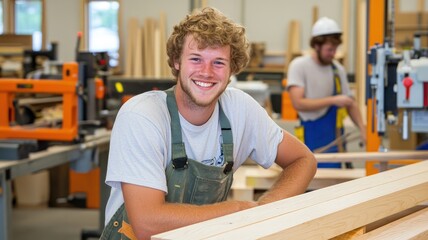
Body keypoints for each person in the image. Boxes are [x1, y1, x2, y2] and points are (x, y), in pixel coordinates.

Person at [101, 7, 316, 240]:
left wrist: (267, 209)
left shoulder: (240, 109)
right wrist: (238, 210)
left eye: (219, 63)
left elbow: (303, 160)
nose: (206, 72)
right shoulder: (142, 116)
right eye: (196, 59)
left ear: (232, 69)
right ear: (176, 62)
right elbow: (147, 223)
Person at [286, 17, 366, 168]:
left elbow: (350, 103)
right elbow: (298, 103)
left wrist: (362, 128)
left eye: (335, 49)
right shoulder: (299, 66)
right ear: (316, 45)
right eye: (329, 49)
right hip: (311, 139)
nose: (333, 54)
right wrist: (333, 100)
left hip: (335, 139)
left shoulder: (337, 70)